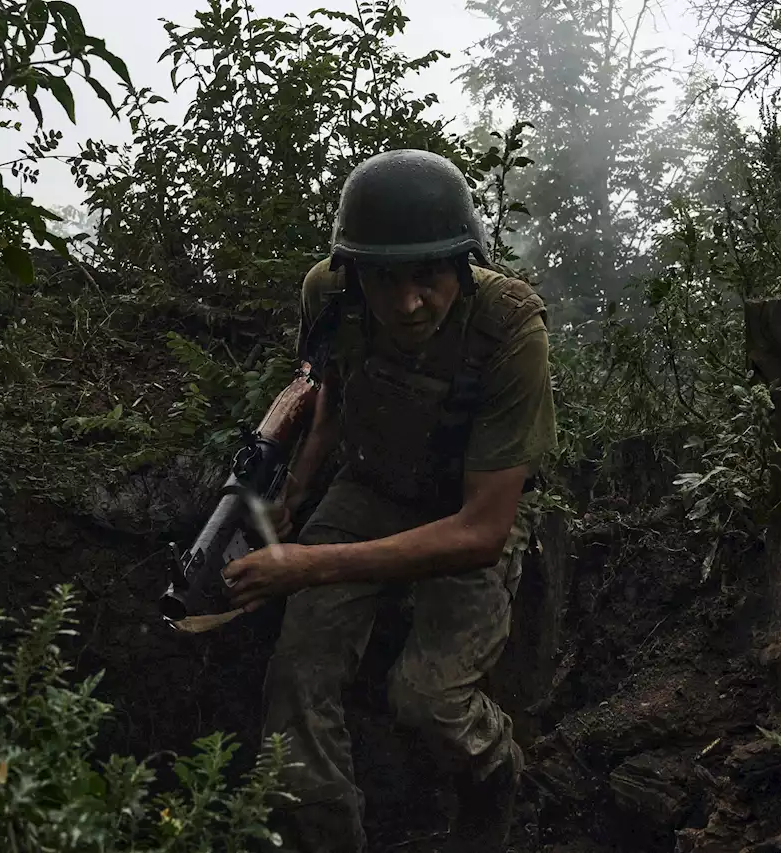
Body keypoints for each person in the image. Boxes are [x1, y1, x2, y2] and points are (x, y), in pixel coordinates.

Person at [220, 148, 557, 853]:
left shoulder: (508, 324)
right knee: (295, 683)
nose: (407, 304)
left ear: (464, 264)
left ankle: (497, 776)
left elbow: (483, 530)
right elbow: (332, 394)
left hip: (463, 511)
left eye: (428, 278)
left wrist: (310, 565)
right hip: (367, 488)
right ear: (354, 271)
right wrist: (299, 489)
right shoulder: (329, 292)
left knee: (430, 700)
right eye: (384, 280)